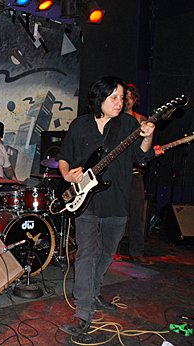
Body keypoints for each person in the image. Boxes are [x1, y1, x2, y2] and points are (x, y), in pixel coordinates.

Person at [55, 76, 155, 336]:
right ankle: (83, 312)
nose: (120, 102)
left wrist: (148, 136)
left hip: (117, 200)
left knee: (106, 255)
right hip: (85, 203)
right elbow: (63, 158)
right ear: (99, 99)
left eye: (122, 98)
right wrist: (68, 176)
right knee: (87, 254)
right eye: (114, 97)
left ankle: (94, 291)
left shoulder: (129, 124)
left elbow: (142, 157)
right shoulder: (80, 126)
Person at [114, 84, 158, 265]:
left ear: (135, 101)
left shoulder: (141, 120)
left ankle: (136, 251)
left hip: (134, 173)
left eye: (130, 97)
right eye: (124, 97)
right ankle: (113, 250)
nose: (127, 101)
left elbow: (143, 151)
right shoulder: (114, 119)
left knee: (138, 214)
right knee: (115, 213)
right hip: (117, 174)